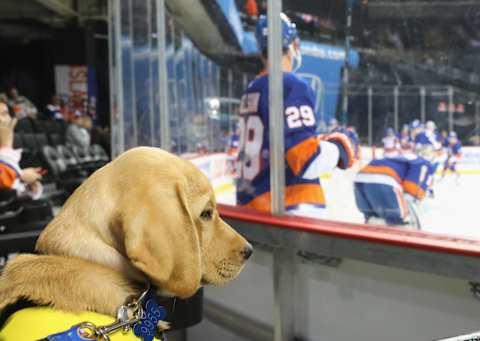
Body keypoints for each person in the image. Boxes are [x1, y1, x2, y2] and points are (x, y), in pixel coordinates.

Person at [236, 13, 356, 218]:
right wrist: (342, 147)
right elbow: (307, 161)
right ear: (292, 44)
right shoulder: (290, 85)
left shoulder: (252, 89)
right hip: (292, 208)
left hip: (253, 208)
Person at [353, 145, 435, 227]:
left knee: (372, 218)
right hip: (385, 179)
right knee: (398, 221)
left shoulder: (402, 157)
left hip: (360, 177)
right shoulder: (423, 162)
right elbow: (412, 189)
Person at [0, 102, 43, 199]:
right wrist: (20, 175)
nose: (1, 119)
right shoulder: (6, 149)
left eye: (4, 114)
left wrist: (29, 186)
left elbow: (12, 191)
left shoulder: (8, 151)